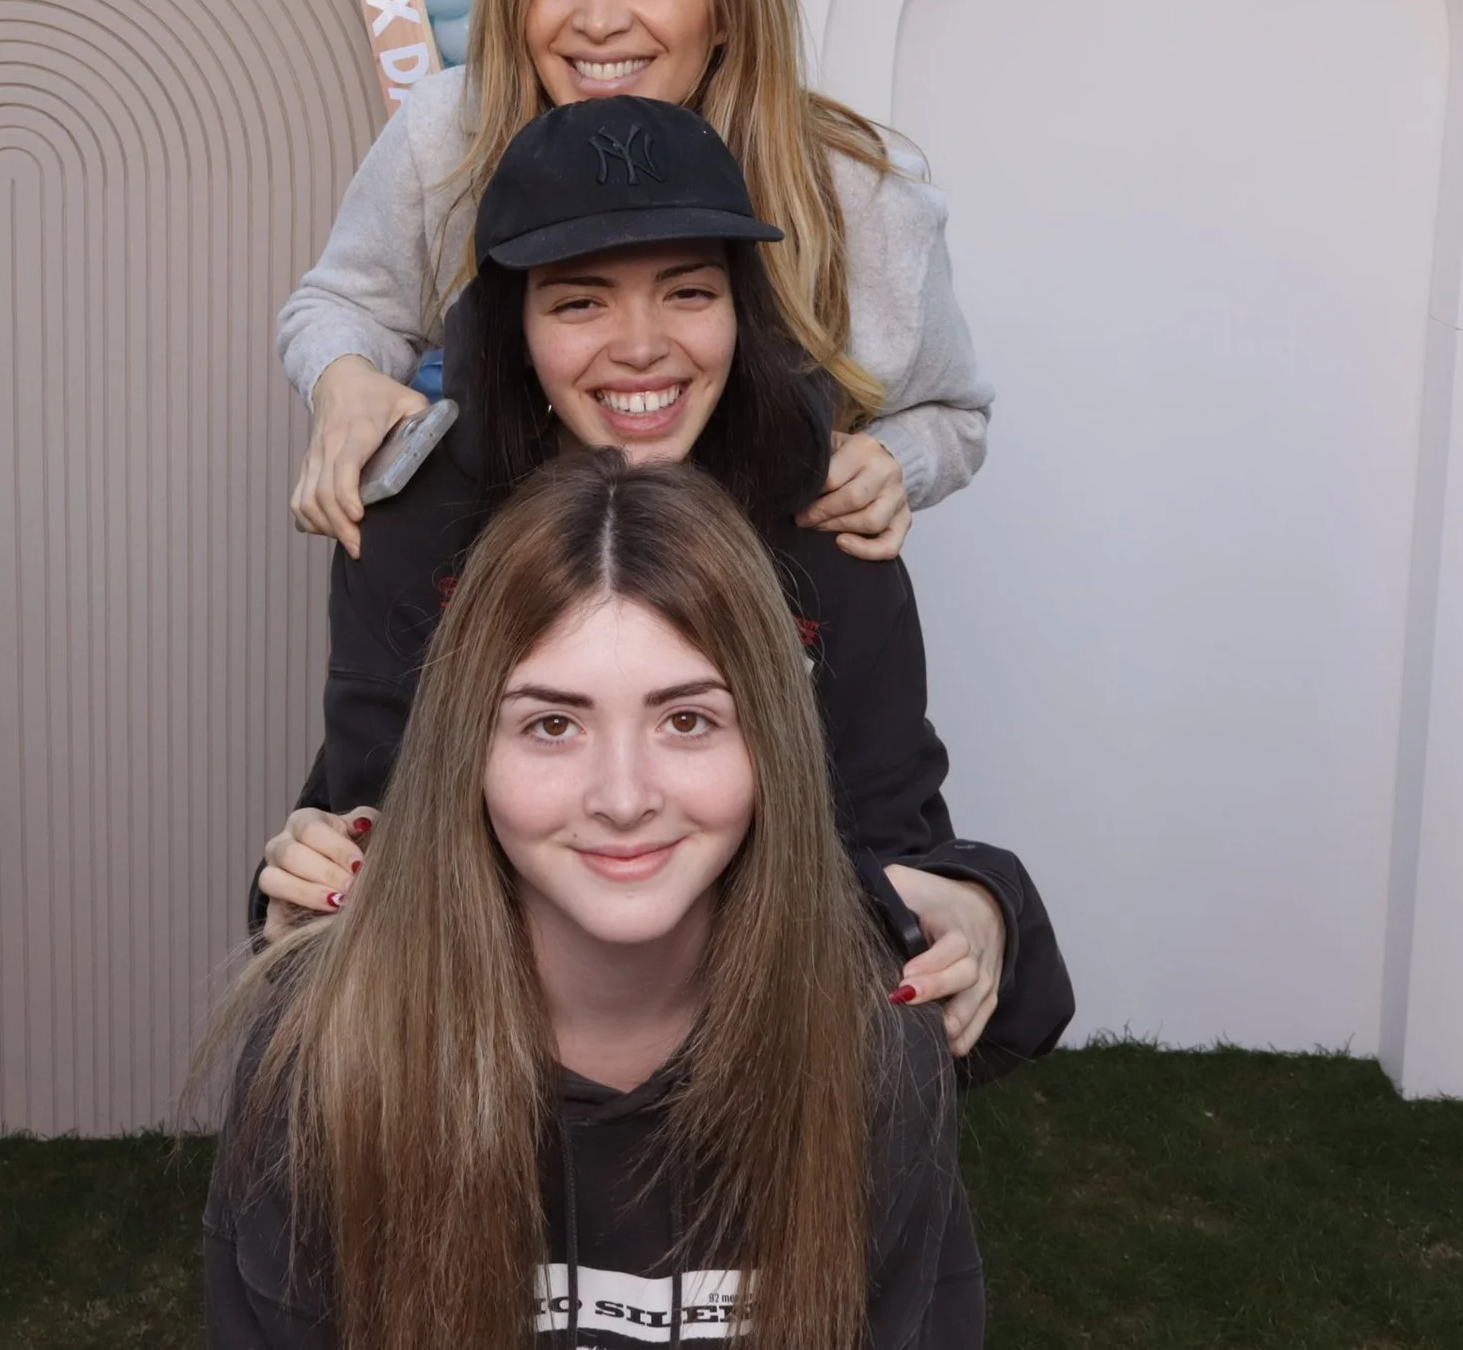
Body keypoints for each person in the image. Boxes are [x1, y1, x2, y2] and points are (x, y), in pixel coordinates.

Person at [260, 96, 1069, 1067]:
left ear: (742, 307)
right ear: (513, 326)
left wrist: (973, 912)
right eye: (580, 301)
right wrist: (311, 881)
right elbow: (367, 830)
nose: (642, 346)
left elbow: (895, 836)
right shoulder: (406, 524)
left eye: (688, 293)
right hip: (483, 1052)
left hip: (758, 1046)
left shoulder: (828, 519)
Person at [205, 452, 987, 1349]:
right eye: (551, 723)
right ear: (469, 755)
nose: (622, 796)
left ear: (770, 743)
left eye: (687, 719)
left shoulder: (879, 1055)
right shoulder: (319, 1065)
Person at [281, 0, 991, 564]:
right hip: (508, 606)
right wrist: (344, 376)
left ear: (728, 0)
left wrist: (896, 460)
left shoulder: (859, 193)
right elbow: (341, 303)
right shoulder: (449, 132)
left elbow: (954, 413)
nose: (597, 18)